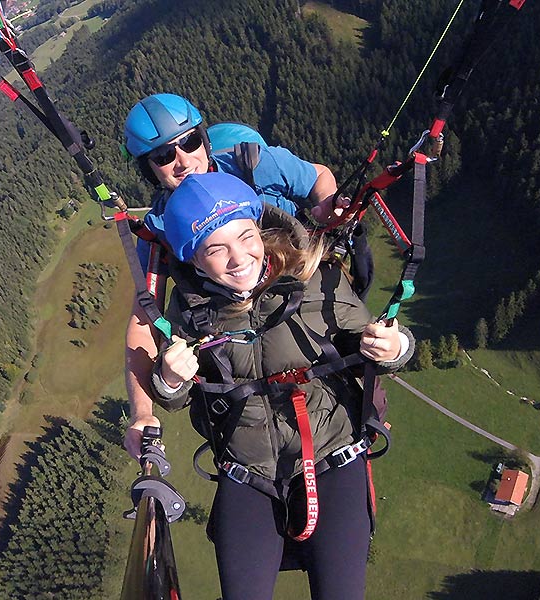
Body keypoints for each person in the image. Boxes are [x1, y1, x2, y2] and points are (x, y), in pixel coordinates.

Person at [147, 172, 415, 600]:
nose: (239, 258)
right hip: (248, 469)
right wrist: (171, 379)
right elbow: (177, 395)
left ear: (260, 229)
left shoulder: (314, 280)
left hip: (332, 454)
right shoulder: (189, 313)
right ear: (194, 261)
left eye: (245, 236)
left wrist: (396, 346)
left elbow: (375, 348)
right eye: (216, 249)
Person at [122, 93, 347, 459]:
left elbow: (318, 177)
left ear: (205, 139)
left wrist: (328, 212)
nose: (183, 161)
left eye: (190, 142)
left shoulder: (254, 164)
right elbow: (143, 318)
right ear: (150, 169)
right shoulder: (161, 229)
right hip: (244, 323)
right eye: (164, 156)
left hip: (303, 285)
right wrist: (142, 412)